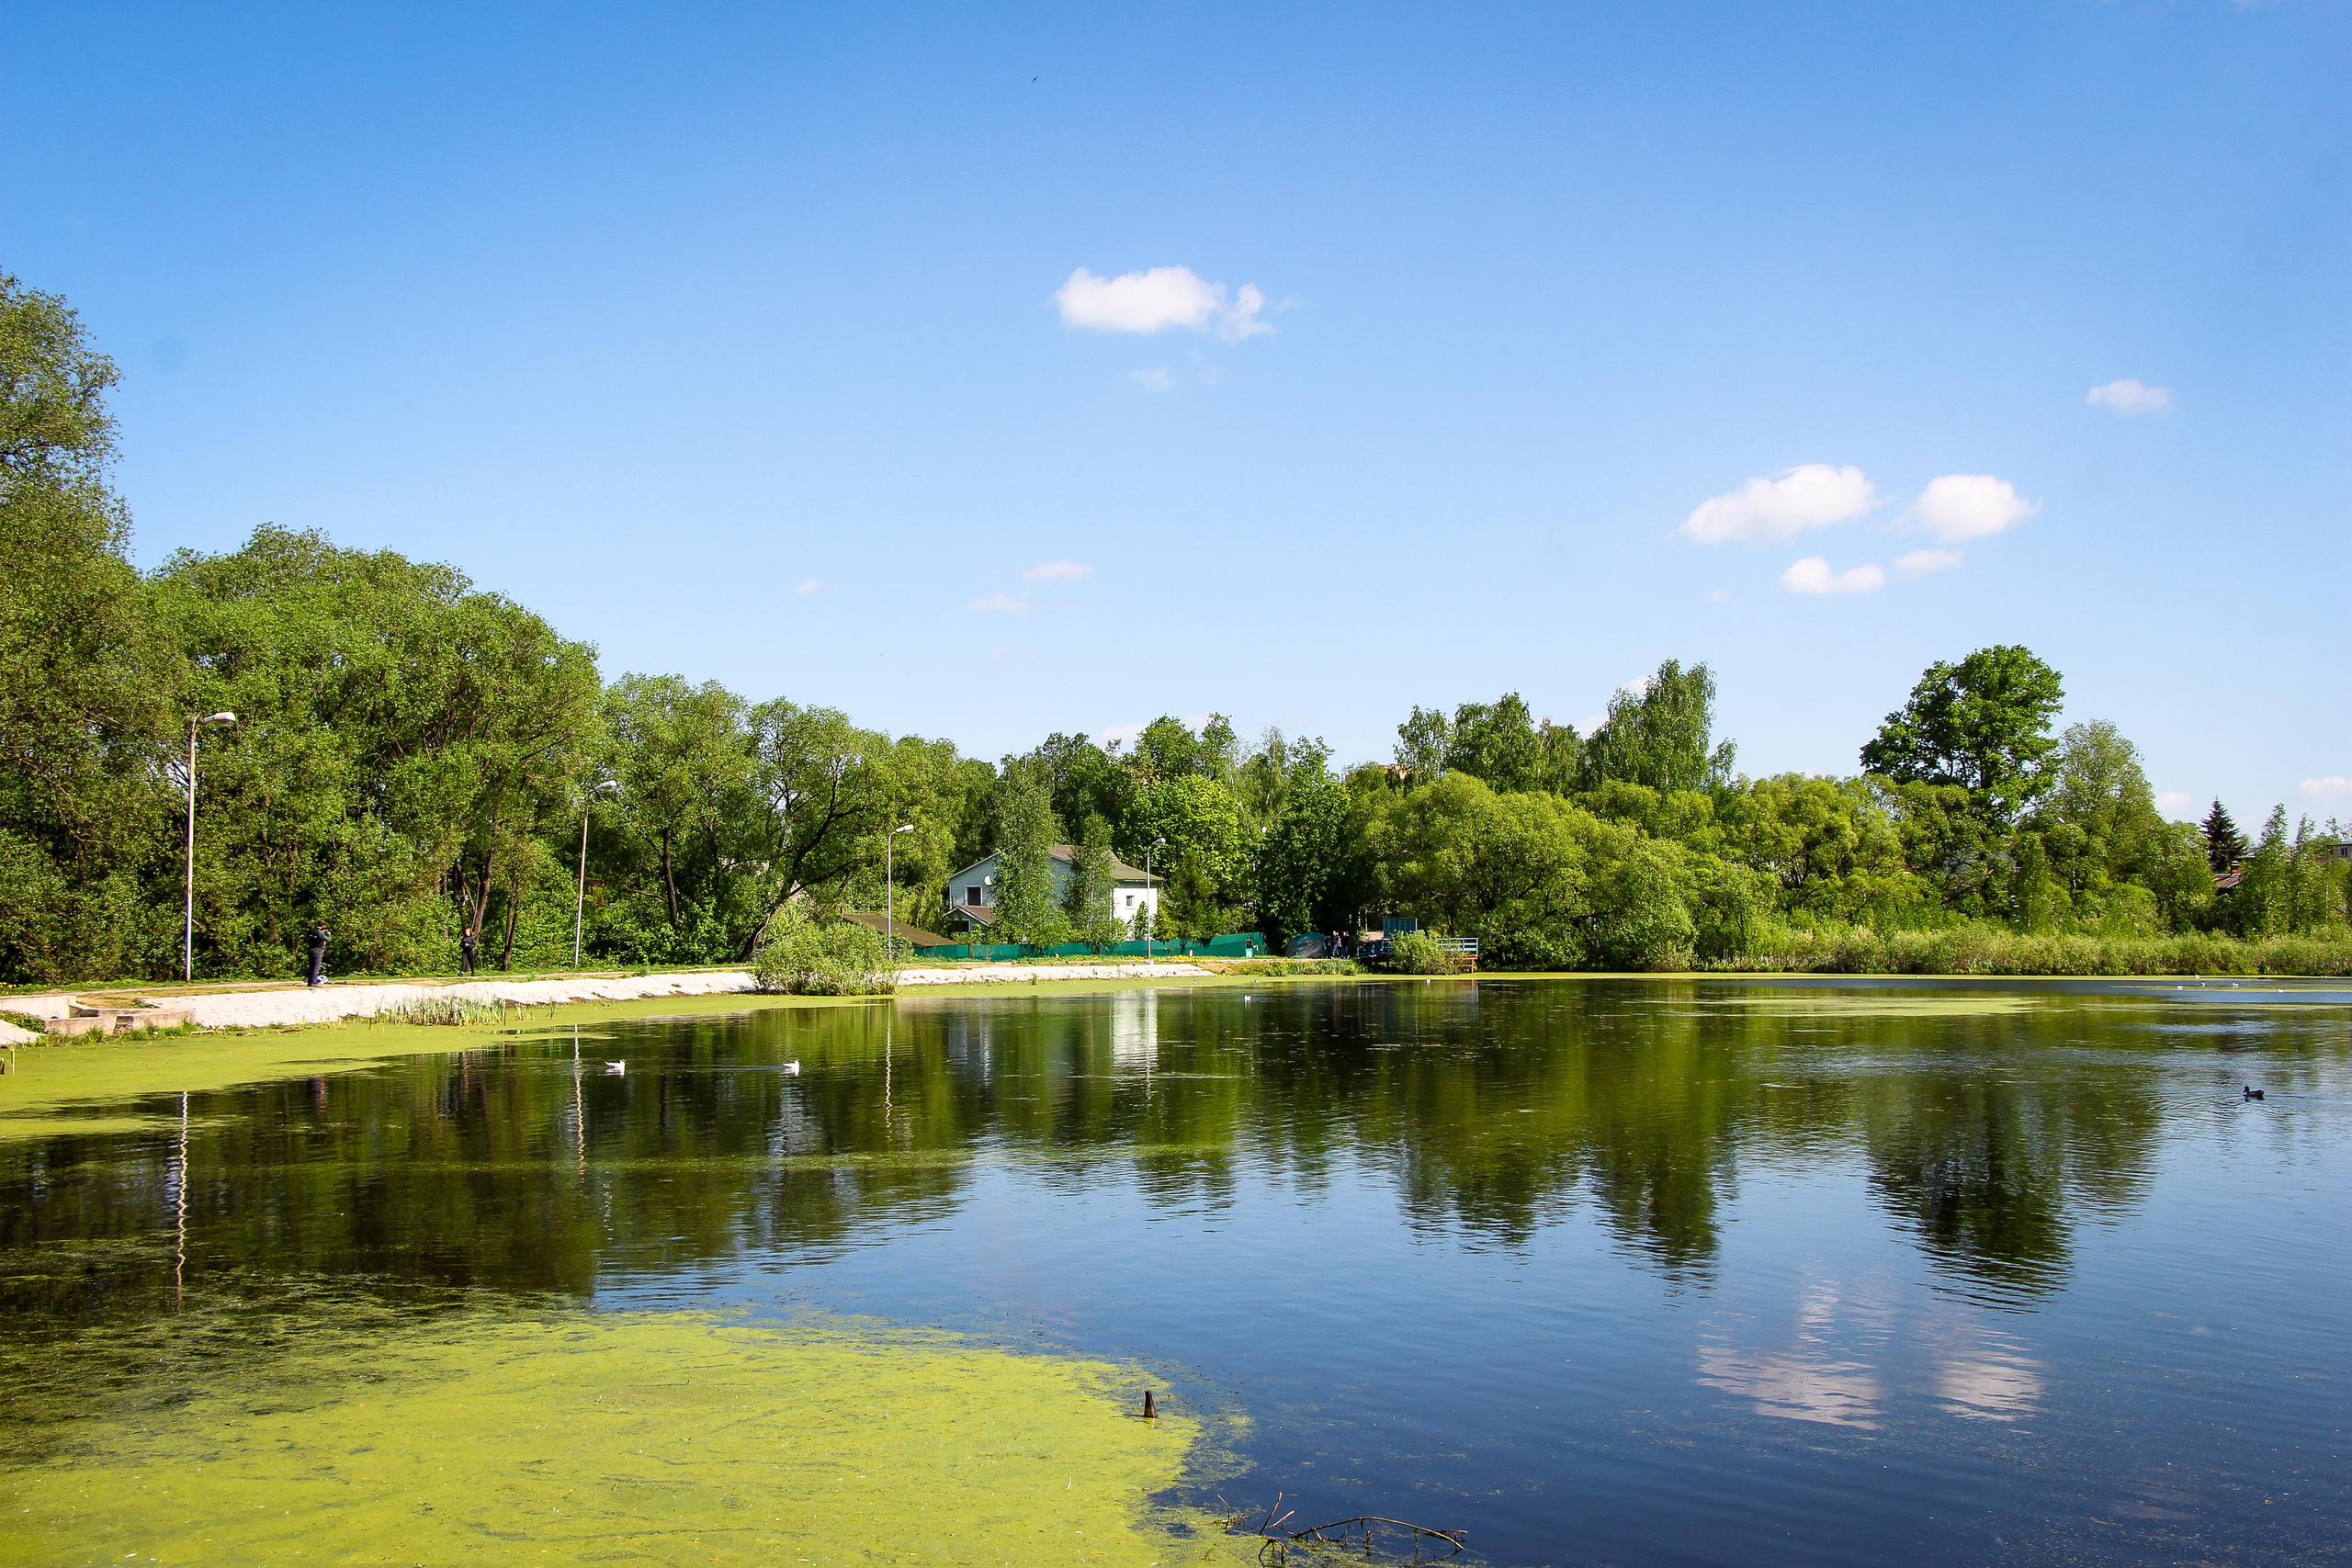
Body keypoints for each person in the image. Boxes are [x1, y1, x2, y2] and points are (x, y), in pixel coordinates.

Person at [304, 921, 331, 987]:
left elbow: (307, 938)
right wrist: (328, 935)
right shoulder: (319, 932)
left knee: (311, 966)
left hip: (310, 949)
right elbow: (327, 940)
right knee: (316, 966)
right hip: (317, 949)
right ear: (323, 926)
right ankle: (313, 982)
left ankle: (310, 981)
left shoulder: (311, 931)